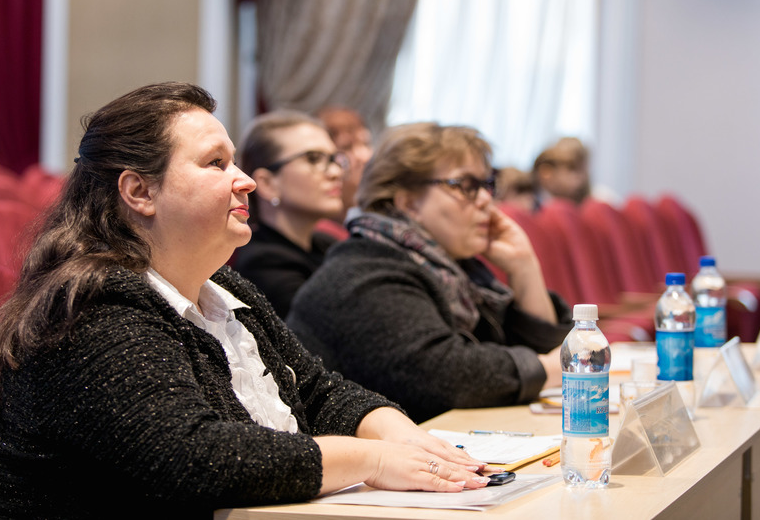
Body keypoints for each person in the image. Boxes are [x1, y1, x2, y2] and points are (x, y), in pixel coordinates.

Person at [0, 84, 493, 518]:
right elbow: (196, 458)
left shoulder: (228, 290)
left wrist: (407, 439)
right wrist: (373, 459)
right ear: (139, 192)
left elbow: (319, 390)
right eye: (216, 164)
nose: (244, 182)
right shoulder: (94, 309)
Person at [287, 122, 571, 423]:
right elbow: (448, 377)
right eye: (464, 186)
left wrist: (523, 267)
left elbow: (539, 351)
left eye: (487, 184)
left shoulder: (455, 270)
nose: (486, 200)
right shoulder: (364, 270)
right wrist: (554, 368)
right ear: (408, 202)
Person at [231, 110, 346, 318]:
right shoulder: (262, 264)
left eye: (334, 159)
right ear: (267, 184)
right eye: (313, 159)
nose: (335, 172)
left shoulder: (328, 245)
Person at [531, 136, 590, 208]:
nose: (579, 177)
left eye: (582, 169)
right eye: (571, 168)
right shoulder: (534, 202)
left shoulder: (594, 200)